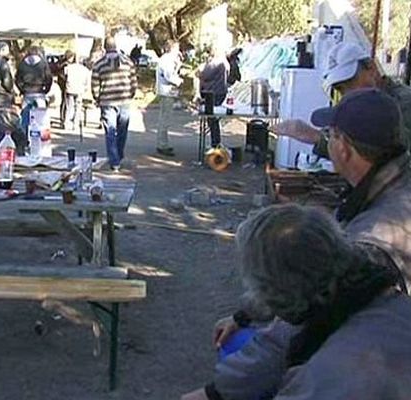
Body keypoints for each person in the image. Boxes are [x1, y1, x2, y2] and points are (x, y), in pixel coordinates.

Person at [197, 88, 411, 400]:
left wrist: (216, 393)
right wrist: (246, 313)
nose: (329, 143)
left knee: (244, 352)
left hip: (370, 364)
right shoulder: (396, 178)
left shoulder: (374, 239)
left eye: (331, 135)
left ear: (345, 149)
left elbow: (299, 323)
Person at [181, 203, 411, 400]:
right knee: (239, 342)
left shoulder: (327, 379)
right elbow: (277, 342)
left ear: (276, 288)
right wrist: (215, 393)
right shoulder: (355, 291)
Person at [274, 42, 411, 152]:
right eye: (341, 89)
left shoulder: (404, 102)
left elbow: (385, 154)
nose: (348, 93)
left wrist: (317, 138)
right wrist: (310, 134)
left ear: (371, 68)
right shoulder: (357, 108)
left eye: (351, 82)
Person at [91, 36, 137, 172]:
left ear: (105, 47)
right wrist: (130, 94)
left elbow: (94, 84)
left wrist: (97, 98)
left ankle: (114, 161)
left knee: (110, 131)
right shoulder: (128, 62)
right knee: (122, 130)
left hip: (107, 101)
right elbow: (134, 82)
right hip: (124, 100)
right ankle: (119, 154)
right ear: (116, 46)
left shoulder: (99, 64)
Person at [0, 41, 25, 153]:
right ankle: (14, 145)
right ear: (2, 50)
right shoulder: (2, 63)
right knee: (8, 121)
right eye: (7, 49)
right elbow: (7, 83)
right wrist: (13, 91)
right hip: (3, 96)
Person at [197, 46, 229, 147]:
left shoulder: (216, 62)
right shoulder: (224, 63)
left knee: (212, 118)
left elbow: (204, 75)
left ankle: (215, 143)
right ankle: (215, 142)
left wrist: (201, 69)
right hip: (219, 91)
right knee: (213, 119)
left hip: (213, 92)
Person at [155, 41, 183, 156]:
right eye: (177, 49)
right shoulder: (167, 60)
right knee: (164, 118)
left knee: (164, 118)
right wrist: (178, 81)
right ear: (172, 49)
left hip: (166, 91)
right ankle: (162, 144)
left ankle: (163, 143)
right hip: (166, 91)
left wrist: (178, 65)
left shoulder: (167, 59)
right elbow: (169, 76)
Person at [63, 52, 90, 131]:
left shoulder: (68, 67)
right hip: (80, 89)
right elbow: (87, 81)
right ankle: (76, 124)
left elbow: (65, 76)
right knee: (78, 108)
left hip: (70, 88)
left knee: (69, 107)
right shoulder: (85, 70)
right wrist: (85, 88)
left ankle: (67, 123)